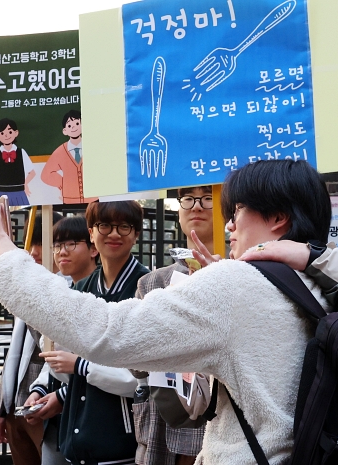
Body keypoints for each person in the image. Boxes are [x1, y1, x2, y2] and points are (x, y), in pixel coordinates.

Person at [0, 160, 338, 464]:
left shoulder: (238, 285)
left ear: (277, 218)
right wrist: (312, 254)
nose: (227, 226)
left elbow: (108, 331)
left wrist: (9, 265)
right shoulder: (323, 281)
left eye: (235, 211)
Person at [31, 201, 146, 464]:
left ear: (136, 234)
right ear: (92, 234)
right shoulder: (81, 289)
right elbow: (64, 367)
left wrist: (82, 365)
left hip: (122, 443)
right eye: (104, 225)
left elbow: (141, 380)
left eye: (124, 226)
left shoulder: (146, 286)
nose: (114, 234)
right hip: (76, 439)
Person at [133, 186, 214, 465]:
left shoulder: (243, 273)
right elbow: (135, 363)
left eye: (208, 197)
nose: (197, 206)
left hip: (219, 427)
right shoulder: (153, 283)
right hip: (164, 422)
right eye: (188, 199)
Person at [24, 216, 99, 465]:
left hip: (95, 419)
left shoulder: (105, 297)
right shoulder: (63, 294)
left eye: (70, 243)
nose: (60, 252)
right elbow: (53, 356)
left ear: (93, 248)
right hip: (57, 419)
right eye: (56, 245)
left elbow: (112, 365)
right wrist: (40, 389)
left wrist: (63, 395)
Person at [0, 211, 63, 465]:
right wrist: (2, 410)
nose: (34, 250)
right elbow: (14, 353)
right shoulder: (28, 286)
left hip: (48, 406)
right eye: (30, 241)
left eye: (43, 241)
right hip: (16, 407)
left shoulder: (70, 287)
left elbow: (53, 343)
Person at [41, 110, 97, 204]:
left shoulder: (92, 146)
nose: (74, 127)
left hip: (93, 198)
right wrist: (63, 182)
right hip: (69, 199)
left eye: (77, 123)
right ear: (65, 131)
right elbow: (46, 174)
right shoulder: (60, 151)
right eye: (69, 125)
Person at [0, 118, 36, 206]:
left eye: (10, 132)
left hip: (18, 192)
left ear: (16, 133)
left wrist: (25, 184)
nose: (6, 136)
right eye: (2, 133)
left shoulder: (21, 152)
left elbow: (32, 173)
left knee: (22, 214)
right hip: (1, 193)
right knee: (1, 216)